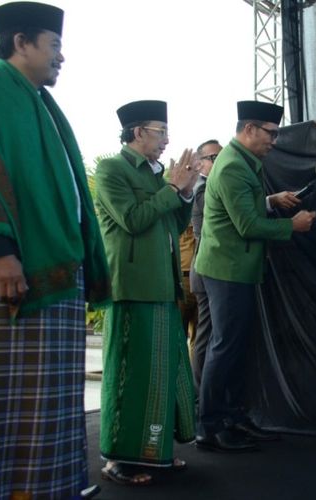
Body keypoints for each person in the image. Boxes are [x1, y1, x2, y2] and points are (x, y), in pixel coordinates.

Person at [0, 2, 110, 498]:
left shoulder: (42, 104)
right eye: (54, 45)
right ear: (21, 43)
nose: (61, 56)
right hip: (7, 273)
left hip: (54, 274)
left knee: (50, 404)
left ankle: (51, 489)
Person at [194, 101, 316, 452]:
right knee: (225, 346)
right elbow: (246, 225)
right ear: (249, 129)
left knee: (234, 347)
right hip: (227, 271)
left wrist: (269, 201)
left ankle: (232, 416)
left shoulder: (241, 162)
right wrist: (291, 225)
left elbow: (240, 208)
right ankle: (210, 426)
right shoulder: (233, 166)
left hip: (237, 270)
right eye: (271, 133)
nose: (274, 141)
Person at [94, 100, 198, 485]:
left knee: (162, 374)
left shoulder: (158, 175)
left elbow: (173, 222)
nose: (167, 141)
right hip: (133, 286)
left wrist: (184, 194)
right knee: (129, 373)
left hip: (163, 283)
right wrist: (172, 187)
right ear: (138, 132)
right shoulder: (111, 170)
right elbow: (133, 220)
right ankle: (119, 458)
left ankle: (155, 453)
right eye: (160, 132)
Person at [188, 139, 223, 388]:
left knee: (208, 334)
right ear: (199, 163)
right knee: (206, 336)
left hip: (208, 270)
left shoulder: (211, 185)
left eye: (220, 156)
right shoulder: (202, 190)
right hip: (207, 271)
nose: (218, 161)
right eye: (212, 158)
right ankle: (200, 395)